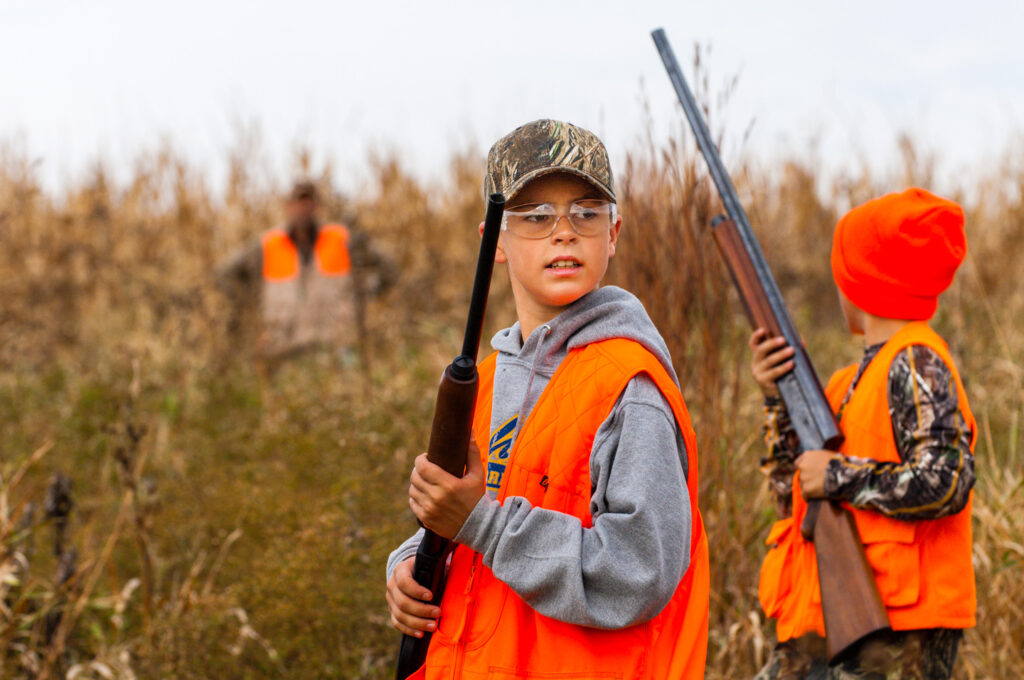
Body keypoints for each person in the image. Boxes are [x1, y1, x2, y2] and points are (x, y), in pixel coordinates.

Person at [385, 119, 710, 678]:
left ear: (613, 233)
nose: (564, 232)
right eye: (535, 217)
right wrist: (409, 561)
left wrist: (481, 523)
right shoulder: (484, 381)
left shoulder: (630, 387)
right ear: (496, 241)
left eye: (586, 213)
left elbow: (638, 571)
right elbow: (473, 508)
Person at [750, 188, 976, 680]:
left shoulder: (916, 360)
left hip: (898, 637)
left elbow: (947, 478)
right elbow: (792, 496)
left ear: (860, 282)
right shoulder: (844, 384)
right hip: (831, 623)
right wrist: (777, 397)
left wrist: (840, 476)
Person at [216, 180, 392, 365]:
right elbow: (224, 275)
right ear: (288, 206)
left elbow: (389, 270)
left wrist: (365, 294)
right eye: (298, 202)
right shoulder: (268, 244)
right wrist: (254, 303)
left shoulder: (342, 239)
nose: (303, 208)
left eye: (309, 202)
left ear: (318, 206)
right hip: (283, 350)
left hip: (337, 348)